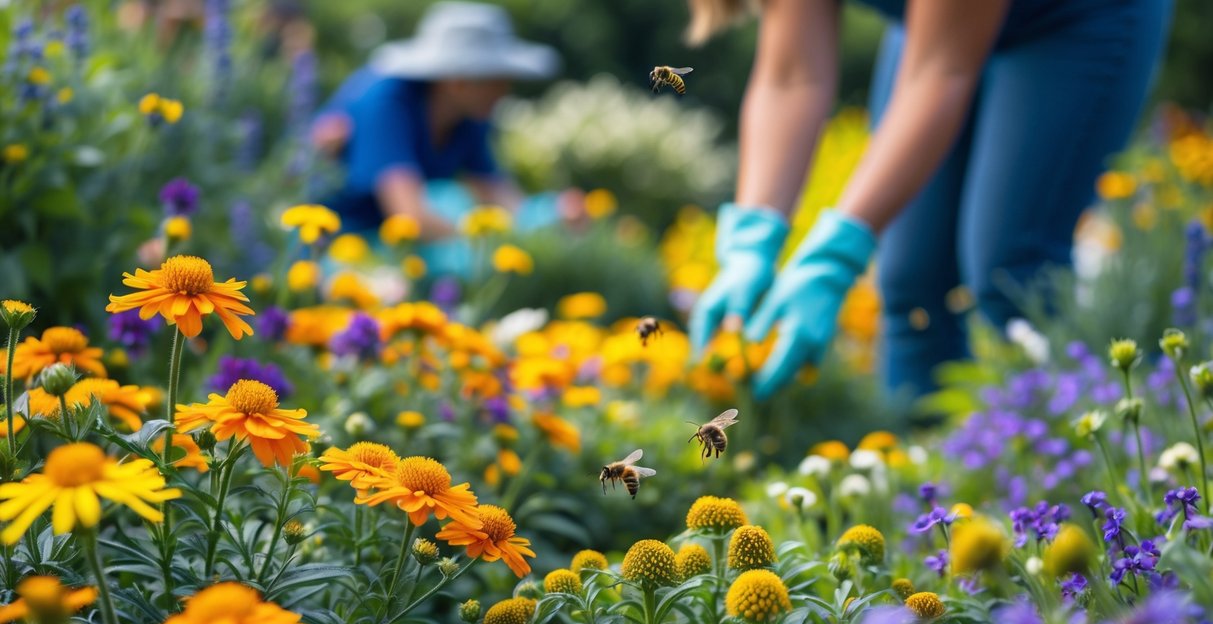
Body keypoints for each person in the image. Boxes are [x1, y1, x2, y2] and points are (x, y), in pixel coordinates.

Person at [686, 0, 1173, 400]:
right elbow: (792, 76)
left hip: (1076, 19)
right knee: (911, 285)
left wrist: (833, 257)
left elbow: (941, 73)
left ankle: (1088, 479)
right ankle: (925, 503)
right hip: (934, 29)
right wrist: (752, 239)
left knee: (1011, 275)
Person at [314, 1, 576, 241]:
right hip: (323, 245)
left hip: (383, 246)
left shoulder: (469, 119)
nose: (505, 91)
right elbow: (410, 218)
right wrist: (486, 245)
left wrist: (553, 211)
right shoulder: (386, 102)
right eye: (497, 80)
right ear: (459, 82)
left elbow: (498, 195)